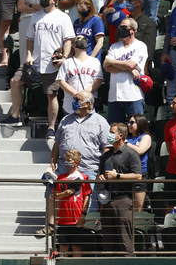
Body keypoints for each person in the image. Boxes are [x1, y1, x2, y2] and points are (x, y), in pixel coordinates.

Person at [0, 0, 75, 138]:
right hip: (34, 62)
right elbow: (29, 39)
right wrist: (28, 55)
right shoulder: (35, 16)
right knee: (15, 81)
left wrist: (64, 57)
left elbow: (68, 40)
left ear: (53, 0)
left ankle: (52, 127)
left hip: (52, 65)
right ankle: (15, 116)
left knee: (51, 95)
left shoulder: (63, 17)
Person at [38, 91, 110, 237]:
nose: (74, 101)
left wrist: (103, 170)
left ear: (87, 104)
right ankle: (52, 225)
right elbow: (57, 143)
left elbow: (107, 148)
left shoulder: (101, 122)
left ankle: (86, 234)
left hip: (89, 170)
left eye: (77, 99)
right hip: (64, 168)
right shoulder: (65, 120)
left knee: (87, 204)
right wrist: (52, 160)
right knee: (54, 194)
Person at [97, 122, 143, 256]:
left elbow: (138, 176)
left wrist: (117, 176)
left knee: (125, 240)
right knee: (108, 241)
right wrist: (100, 179)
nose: (109, 136)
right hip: (106, 201)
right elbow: (101, 173)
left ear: (121, 136)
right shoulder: (106, 154)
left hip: (123, 200)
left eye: (112, 133)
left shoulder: (131, 154)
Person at [104, 18, 149, 124]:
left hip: (133, 96)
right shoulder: (114, 47)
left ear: (133, 30)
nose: (121, 29)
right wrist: (129, 70)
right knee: (115, 131)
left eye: (124, 27)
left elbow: (131, 64)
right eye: (120, 27)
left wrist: (113, 62)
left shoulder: (140, 46)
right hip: (114, 96)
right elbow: (107, 66)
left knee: (137, 130)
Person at [54, 149, 92, 257]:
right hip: (63, 219)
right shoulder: (60, 178)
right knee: (63, 247)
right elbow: (54, 196)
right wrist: (64, 194)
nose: (66, 163)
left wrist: (83, 215)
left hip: (77, 219)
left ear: (76, 163)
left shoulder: (84, 177)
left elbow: (87, 197)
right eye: (65, 160)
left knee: (76, 247)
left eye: (68, 160)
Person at [15, 0, 51, 67]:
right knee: (24, 49)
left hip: (42, 20)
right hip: (26, 20)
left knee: (40, 48)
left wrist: (29, 5)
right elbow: (20, 7)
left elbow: (47, 7)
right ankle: (23, 75)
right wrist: (38, 7)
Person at [56, 34, 104, 115]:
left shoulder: (94, 61)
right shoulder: (67, 62)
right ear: (73, 45)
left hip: (89, 103)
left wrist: (84, 95)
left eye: (84, 39)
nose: (82, 40)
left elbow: (98, 81)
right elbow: (61, 82)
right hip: (70, 104)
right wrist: (76, 94)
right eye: (78, 38)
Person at [125, 114, 152, 212]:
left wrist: (125, 143)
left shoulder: (145, 137)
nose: (129, 125)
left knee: (138, 208)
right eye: (128, 122)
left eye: (132, 122)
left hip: (140, 174)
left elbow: (140, 150)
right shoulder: (127, 137)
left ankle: (138, 227)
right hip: (126, 174)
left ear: (140, 123)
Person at [126, 0, 157, 74]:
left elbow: (149, 47)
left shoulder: (149, 23)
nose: (127, 3)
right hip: (125, 62)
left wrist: (145, 67)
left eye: (130, 1)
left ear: (139, 3)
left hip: (141, 65)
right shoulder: (125, 21)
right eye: (127, 0)